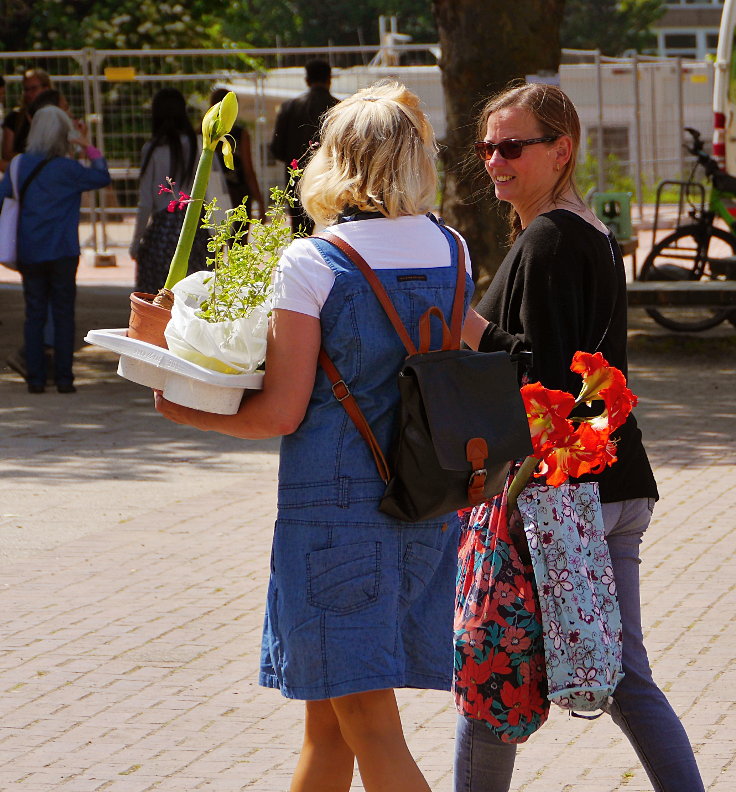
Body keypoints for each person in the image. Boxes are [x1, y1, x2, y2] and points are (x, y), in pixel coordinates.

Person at [155, 80, 474, 792]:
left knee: (370, 730)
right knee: (327, 728)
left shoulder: (314, 262)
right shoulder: (452, 249)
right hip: (423, 510)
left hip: (336, 523)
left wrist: (188, 412)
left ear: (337, 160)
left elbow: (280, 413)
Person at [455, 82, 705, 792]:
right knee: (621, 675)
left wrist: (467, 326)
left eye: (512, 146)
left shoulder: (551, 239)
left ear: (560, 150)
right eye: (486, 146)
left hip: (562, 501)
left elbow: (548, 382)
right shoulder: (584, 230)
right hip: (609, 487)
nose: (494, 161)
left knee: (492, 663)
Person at [0, 105, 110, 393]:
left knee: (34, 312)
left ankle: (35, 379)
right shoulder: (70, 169)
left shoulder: (19, 164)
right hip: (63, 249)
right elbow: (102, 177)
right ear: (64, 135)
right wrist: (88, 147)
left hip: (29, 249)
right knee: (63, 313)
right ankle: (64, 378)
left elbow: (4, 197)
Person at [130, 87, 213, 295]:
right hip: (195, 228)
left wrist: (136, 241)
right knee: (196, 296)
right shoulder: (198, 145)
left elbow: (146, 202)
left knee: (157, 298)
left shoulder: (152, 149)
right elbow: (210, 189)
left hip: (162, 232)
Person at [269, 59, 339, 234]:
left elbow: (277, 149)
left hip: (296, 179)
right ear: (329, 79)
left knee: (300, 232)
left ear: (307, 81)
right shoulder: (339, 108)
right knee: (335, 232)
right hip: (331, 179)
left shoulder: (289, 107)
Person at [209, 87, 263, 217]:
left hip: (211, 193)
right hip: (237, 192)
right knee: (238, 235)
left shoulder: (202, 132)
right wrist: (260, 200)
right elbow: (248, 170)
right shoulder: (240, 134)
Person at [1, 68, 52, 163]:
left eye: (33, 89)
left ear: (46, 89)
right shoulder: (14, 117)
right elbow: (6, 153)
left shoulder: (56, 116)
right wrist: (32, 161)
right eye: (25, 89)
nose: (28, 94)